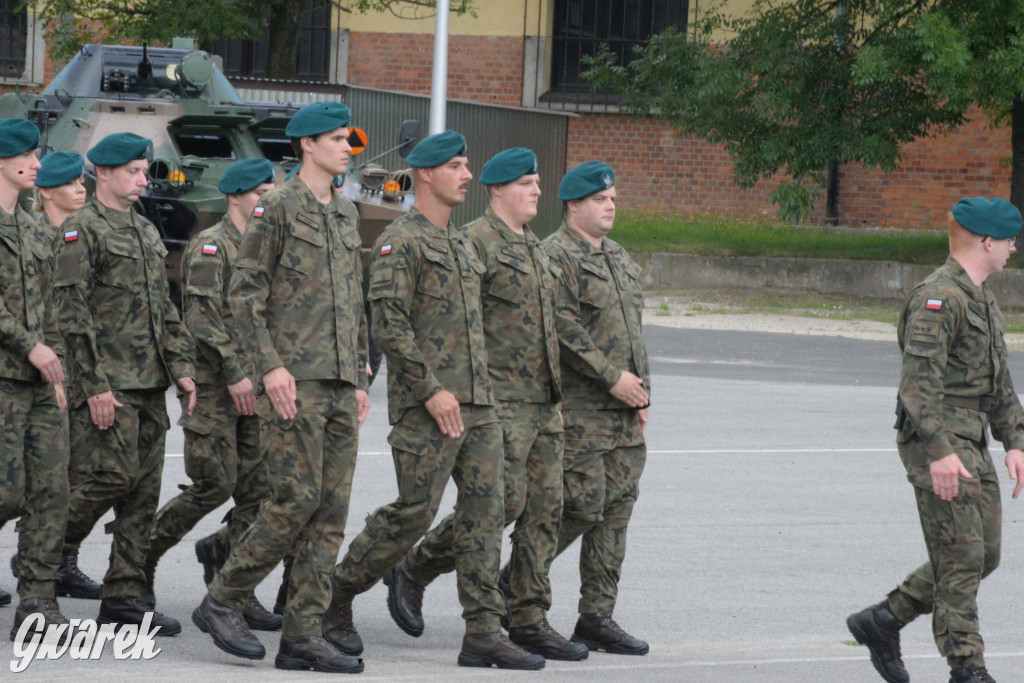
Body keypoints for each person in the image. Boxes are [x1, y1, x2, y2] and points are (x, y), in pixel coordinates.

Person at [324, 131, 543, 671]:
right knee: (414, 512)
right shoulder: (403, 240)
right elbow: (389, 323)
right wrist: (430, 389)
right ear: (426, 174)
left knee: (492, 508)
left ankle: (483, 632)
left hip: (479, 402)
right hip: (428, 406)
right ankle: (336, 593)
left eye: (467, 166)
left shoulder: (465, 244)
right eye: (457, 167)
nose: (467, 175)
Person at [386, 147, 585, 661]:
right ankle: (417, 565)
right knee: (501, 506)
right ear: (498, 189)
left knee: (545, 510)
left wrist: (557, 393)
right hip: (498, 400)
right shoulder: (476, 242)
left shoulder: (536, 248)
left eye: (539, 183)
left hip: (542, 402)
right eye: (527, 183)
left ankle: (529, 616)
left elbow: (548, 329)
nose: (538, 191)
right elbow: (458, 328)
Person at [192, 101, 369, 674]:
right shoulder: (278, 206)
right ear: (308, 146)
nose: (348, 147)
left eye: (349, 139)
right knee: (294, 501)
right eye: (339, 139)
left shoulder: (346, 213)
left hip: (341, 382)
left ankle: (302, 633)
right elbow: (244, 296)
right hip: (294, 380)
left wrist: (363, 374)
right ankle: (222, 600)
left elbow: (354, 302)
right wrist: (269, 367)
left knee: (330, 513)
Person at [847, 197, 1024, 683]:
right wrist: (940, 454)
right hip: (938, 438)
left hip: (970, 435)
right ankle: (967, 667)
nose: (1014, 249)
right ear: (987, 241)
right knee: (963, 557)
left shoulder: (980, 297)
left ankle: (882, 620)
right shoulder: (938, 297)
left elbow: (999, 383)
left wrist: (1014, 440)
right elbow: (918, 387)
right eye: (1009, 240)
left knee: (984, 554)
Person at [51, 131, 197, 635]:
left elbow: (165, 310)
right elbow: (72, 315)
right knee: (105, 479)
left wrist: (182, 368)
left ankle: (123, 594)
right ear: (104, 174)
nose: (142, 180)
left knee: (141, 492)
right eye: (133, 172)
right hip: (107, 382)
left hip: (149, 382)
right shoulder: (81, 229)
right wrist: (92, 385)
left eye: (143, 171)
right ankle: (44, 559)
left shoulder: (144, 231)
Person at [143, 158, 280, 631]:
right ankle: (139, 558)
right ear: (236, 196)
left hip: (256, 386)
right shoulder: (211, 246)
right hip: (217, 384)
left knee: (259, 492)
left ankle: (233, 583)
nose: (268, 201)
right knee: (213, 484)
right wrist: (237, 371)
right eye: (261, 193)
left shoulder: (265, 250)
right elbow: (201, 320)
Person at [542, 161, 651, 656]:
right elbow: (563, 330)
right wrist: (612, 379)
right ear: (573, 205)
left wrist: (643, 393)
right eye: (600, 199)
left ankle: (597, 617)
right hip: (581, 409)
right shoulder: (555, 258)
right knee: (577, 506)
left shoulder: (620, 258)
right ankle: (517, 588)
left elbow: (633, 334)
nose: (610, 206)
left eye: (612, 198)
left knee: (615, 512)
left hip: (625, 411)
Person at [0, 118, 70, 639]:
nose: (39, 165)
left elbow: (51, 308)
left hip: (42, 382)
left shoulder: (32, 228)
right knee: (6, 491)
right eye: (29, 157)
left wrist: (58, 365)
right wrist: (31, 345)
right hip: (3, 375)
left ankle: (37, 600)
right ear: (4, 161)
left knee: (50, 489)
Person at [34, 151, 87, 240]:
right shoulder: (31, 239)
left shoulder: (90, 234)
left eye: (81, 182)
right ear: (46, 191)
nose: (82, 189)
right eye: (70, 183)